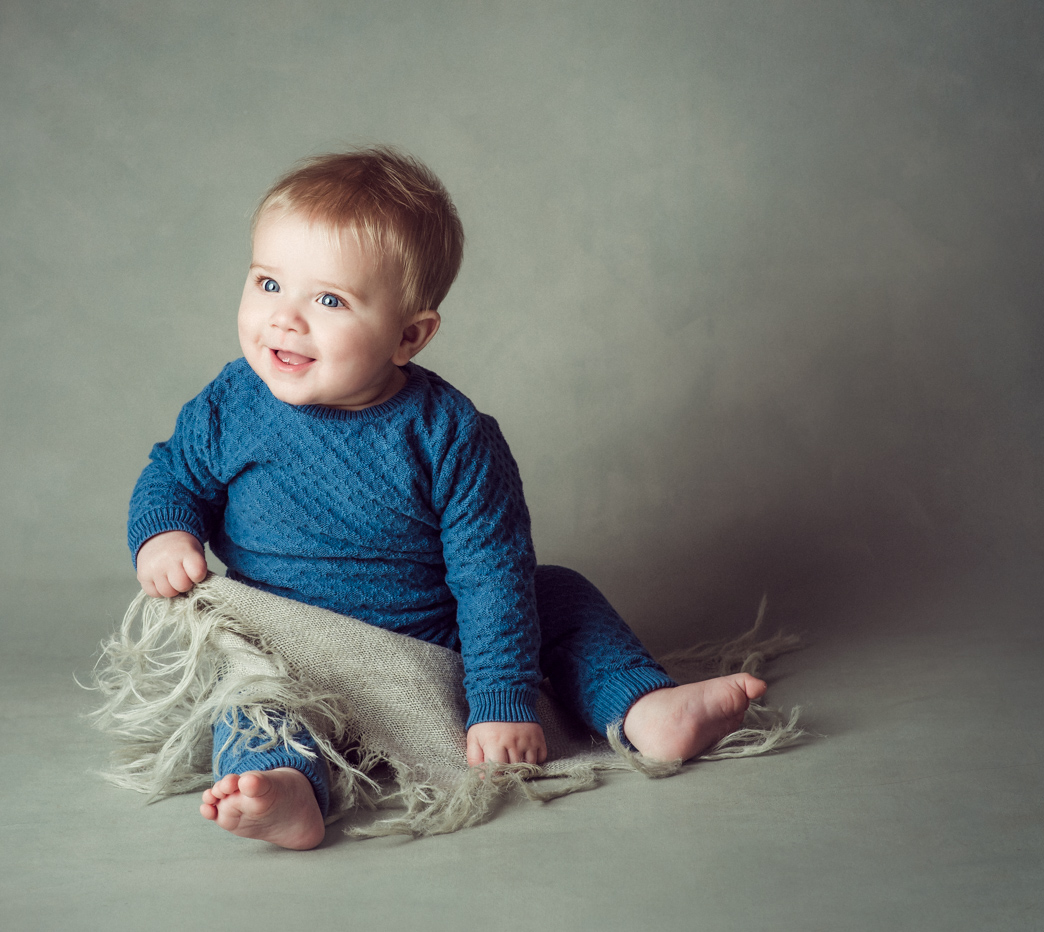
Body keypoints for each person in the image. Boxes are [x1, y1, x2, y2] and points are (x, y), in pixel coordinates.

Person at [127, 147, 766, 850]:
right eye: (268, 283)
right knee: (252, 701)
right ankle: (287, 789)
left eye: (329, 300)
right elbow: (174, 474)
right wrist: (164, 532)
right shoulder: (230, 402)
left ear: (411, 335)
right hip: (287, 647)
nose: (284, 319)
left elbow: (490, 576)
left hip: (432, 644)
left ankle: (643, 709)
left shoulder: (451, 435)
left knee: (556, 595)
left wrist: (499, 703)